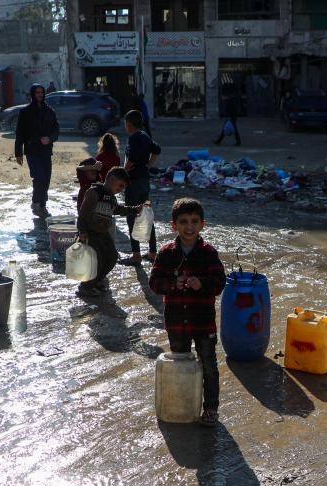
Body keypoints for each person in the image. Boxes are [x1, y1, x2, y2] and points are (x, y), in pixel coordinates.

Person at [148, 198, 227, 427]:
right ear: (173, 225)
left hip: (203, 323)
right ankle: (183, 404)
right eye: (183, 222)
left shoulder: (209, 253)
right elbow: (154, 283)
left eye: (194, 221)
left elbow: (219, 283)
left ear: (203, 224)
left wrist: (200, 283)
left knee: (209, 366)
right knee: (180, 364)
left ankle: (211, 409)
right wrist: (175, 282)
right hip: (176, 322)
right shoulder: (166, 253)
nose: (189, 227)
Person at [75, 167, 146, 297]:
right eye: (120, 186)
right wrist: (82, 231)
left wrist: (135, 209)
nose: (121, 190)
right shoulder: (94, 192)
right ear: (112, 179)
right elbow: (83, 213)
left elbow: (118, 209)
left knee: (112, 258)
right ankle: (85, 287)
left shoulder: (112, 198)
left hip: (103, 233)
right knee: (96, 261)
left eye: (123, 188)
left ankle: (96, 281)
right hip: (91, 232)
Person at [14, 83, 60, 218]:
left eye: (41, 92)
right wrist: (18, 152)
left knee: (46, 178)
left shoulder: (50, 111)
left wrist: (50, 139)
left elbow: (56, 130)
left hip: (46, 151)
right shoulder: (25, 112)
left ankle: (42, 204)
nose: (39, 95)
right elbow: (19, 133)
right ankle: (36, 203)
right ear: (33, 94)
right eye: (37, 92)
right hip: (32, 150)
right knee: (38, 176)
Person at [121, 109, 161, 265]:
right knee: (146, 215)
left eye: (125, 123)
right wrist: (148, 165)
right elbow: (157, 150)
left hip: (133, 183)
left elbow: (130, 160)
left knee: (131, 216)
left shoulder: (133, 139)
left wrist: (122, 173)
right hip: (145, 182)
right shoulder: (145, 136)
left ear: (129, 124)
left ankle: (136, 255)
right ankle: (152, 252)